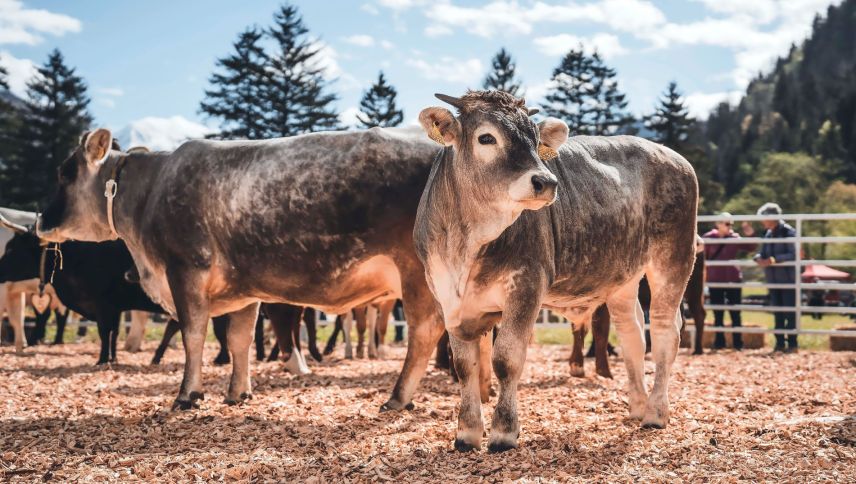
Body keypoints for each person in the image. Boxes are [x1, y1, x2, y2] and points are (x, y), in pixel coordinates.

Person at [703, 212, 756, 350]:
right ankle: (719, 343)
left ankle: (738, 343)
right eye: (727, 224)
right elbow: (701, 256)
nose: (729, 227)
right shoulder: (708, 238)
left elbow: (751, 247)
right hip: (715, 279)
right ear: (718, 224)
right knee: (718, 313)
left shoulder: (735, 238)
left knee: (735, 311)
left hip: (733, 279)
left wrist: (750, 234)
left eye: (731, 224)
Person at [753, 202, 798, 353]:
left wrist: (773, 260)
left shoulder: (788, 232)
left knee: (790, 312)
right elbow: (764, 251)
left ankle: (792, 343)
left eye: (764, 219)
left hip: (788, 279)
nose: (762, 222)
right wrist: (758, 257)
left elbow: (793, 254)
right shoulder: (768, 233)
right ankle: (779, 343)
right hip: (773, 279)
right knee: (778, 312)